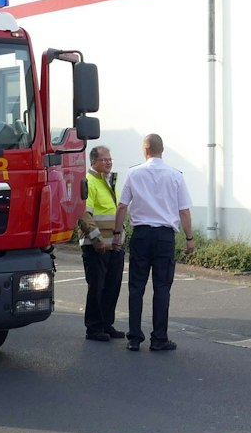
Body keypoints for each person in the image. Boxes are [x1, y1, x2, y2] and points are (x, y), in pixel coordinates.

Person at [113, 133, 194, 352]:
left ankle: (134, 338)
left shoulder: (133, 173)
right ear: (162, 149)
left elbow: (122, 207)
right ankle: (159, 338)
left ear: (145, 150)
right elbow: (184, 211)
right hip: (164, 237)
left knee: (136, 287)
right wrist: (189, 239)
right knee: (162, 288)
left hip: (140, 235)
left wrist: (116, 234)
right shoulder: (175, 176)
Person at [76, 145, 124, 341]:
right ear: (93, 161)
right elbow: (84, 214)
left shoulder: (109, 181)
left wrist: (118, 239)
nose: (109, 162)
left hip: (113, 245)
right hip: (96, 246)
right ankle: (94, 328)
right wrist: (96, 238)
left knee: (112, 286)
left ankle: (106, 324)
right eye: (104, 159)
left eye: (110, 159)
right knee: (97, 287)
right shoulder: (89, 182)